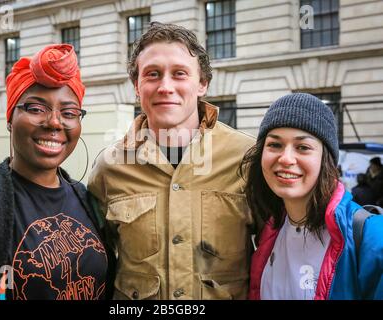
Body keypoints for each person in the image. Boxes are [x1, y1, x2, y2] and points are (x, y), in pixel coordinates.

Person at [88, 22, 257, 300]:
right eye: (152, 74)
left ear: (202, 84)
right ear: (136, 85)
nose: (165, 87)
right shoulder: (110, 167)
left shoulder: (247, 157)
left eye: (179, 74)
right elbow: (95, 263)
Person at [0, 44, 115, 300]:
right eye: (35, 108)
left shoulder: (88, 200)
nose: (54, 121)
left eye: (69, 112)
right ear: (10, 119)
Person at [240, 93, 383, 300]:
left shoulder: (372, 238)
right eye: (275, 144)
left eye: (303, 147)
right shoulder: (268, 230)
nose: (286, 158)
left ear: (326, 159)